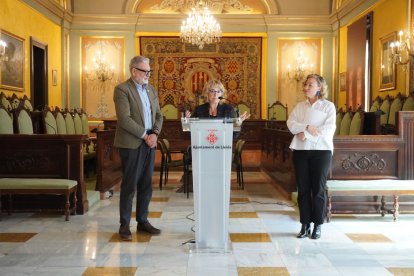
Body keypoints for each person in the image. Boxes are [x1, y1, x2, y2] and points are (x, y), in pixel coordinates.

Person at [113, 55, 163, 241]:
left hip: (150, 141)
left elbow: (159, 115)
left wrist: (155, 134)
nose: (148, 75)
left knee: (145, 185)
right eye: (145, 71)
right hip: (132, 143)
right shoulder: (122, 90)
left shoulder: (151, 90)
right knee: (129, 186)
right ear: (134, 71)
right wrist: (145, 135)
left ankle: (143, 221)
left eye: (150, 71)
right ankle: (124, 225)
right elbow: (124, 119)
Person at [286, 74, 336, 240]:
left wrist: (305, 134)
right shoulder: (300, 106)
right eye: (305, 85)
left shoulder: (328, 107)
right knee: (303, 189)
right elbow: (291, 124)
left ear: (319, 88)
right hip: (300, 151)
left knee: (318, 189)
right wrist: (306, 126)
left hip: (321, 152)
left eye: (310, 85)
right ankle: (304, 224)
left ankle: (318, 225)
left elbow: (327, 129)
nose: (306, 87)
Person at [185, 79, 250, 121]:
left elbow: (234, 135)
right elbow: (190, 134)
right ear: (207, 93)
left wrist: (238, 123)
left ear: (221, 94)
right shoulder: (199, 110)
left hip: (223, 142)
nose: (215, 94)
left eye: (218, 91)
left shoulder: (229, 109)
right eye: (212, 91)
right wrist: (187, 122)